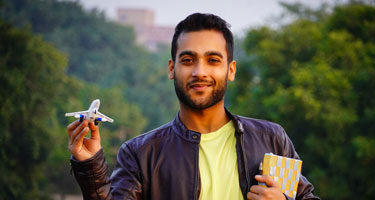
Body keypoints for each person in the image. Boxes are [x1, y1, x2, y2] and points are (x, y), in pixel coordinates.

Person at [67, 13, 320, 200]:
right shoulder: (141, 154)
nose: (200, 71)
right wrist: (91, 167)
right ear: (171, 68)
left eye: (213, 60)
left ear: (230, 70)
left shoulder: (272, 139)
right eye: (188, 60)